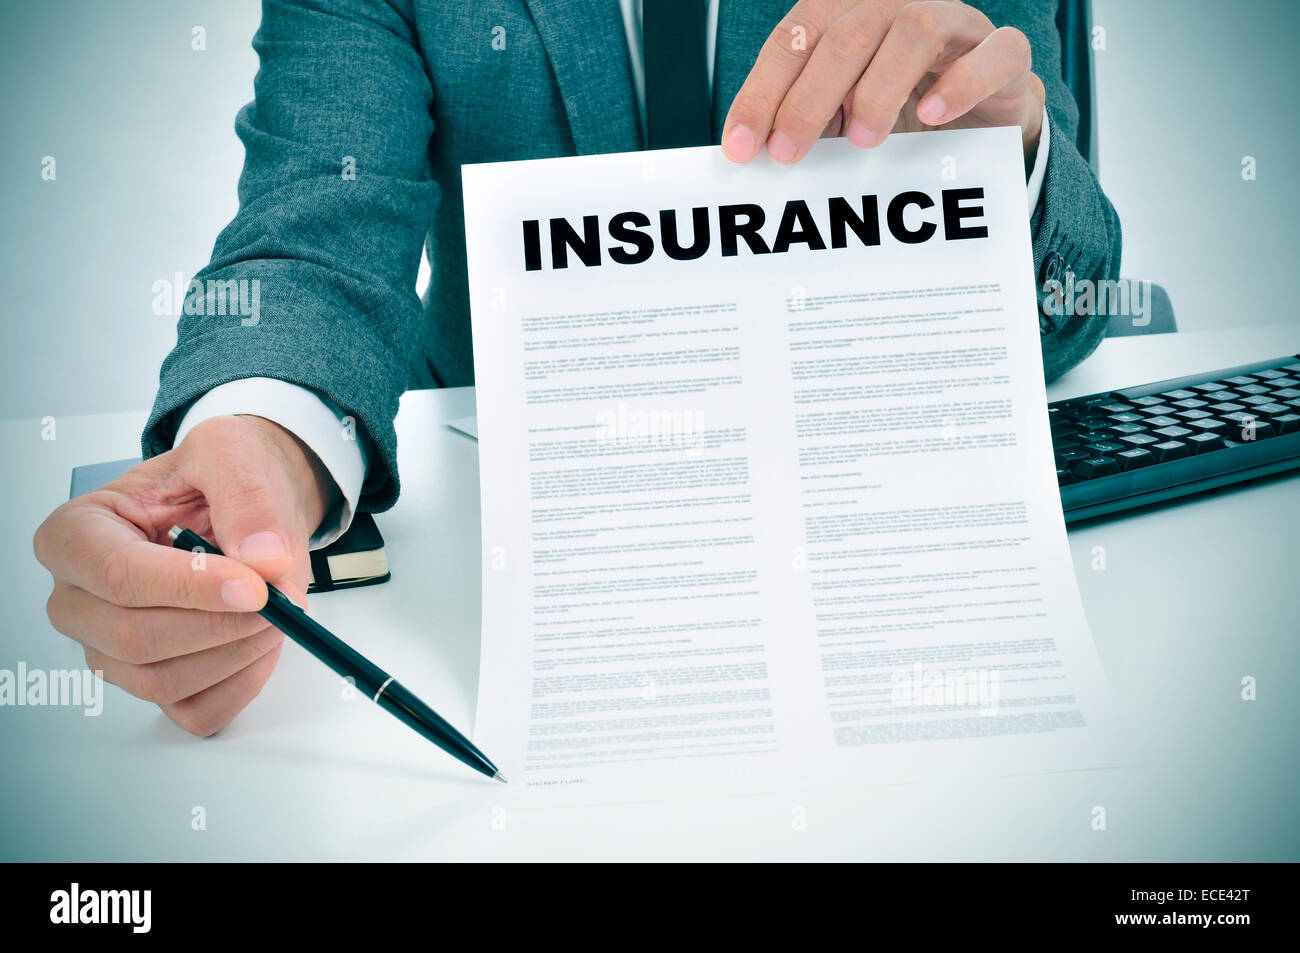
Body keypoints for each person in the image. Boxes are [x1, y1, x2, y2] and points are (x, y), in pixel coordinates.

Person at [33, 0, 1120, 737]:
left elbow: (1067, 305)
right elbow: (318, 230)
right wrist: (257, 436)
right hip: (534, 523)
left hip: (878, 522)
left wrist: (1002, 159)